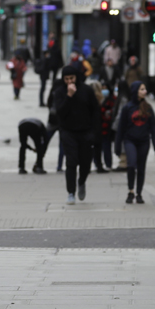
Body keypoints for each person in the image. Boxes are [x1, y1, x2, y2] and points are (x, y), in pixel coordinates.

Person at [54, 65, 100, 204]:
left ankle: (82, 182)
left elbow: (95, 112)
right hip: (68, 132)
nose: (69, 82)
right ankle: (71, 192)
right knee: (71, 162)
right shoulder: (60, 92)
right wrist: (69, 96)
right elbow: (60, 113)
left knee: (85, 163)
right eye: (66, 79)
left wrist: (95, 134)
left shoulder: (86, 90)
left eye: (72, 78)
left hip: (86, 132)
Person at [114, 81, 155, 204]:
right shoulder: (127, 108)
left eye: (145, 89)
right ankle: (131, 191)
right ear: (135, 91)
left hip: (144, 142)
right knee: (131, 164)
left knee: (141, 168)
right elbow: (121, 129)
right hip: (130, 141)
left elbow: (153, 129)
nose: (145, 92)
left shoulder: (148, 108)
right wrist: (117, 146)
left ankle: (139, 193)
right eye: (142, 89)